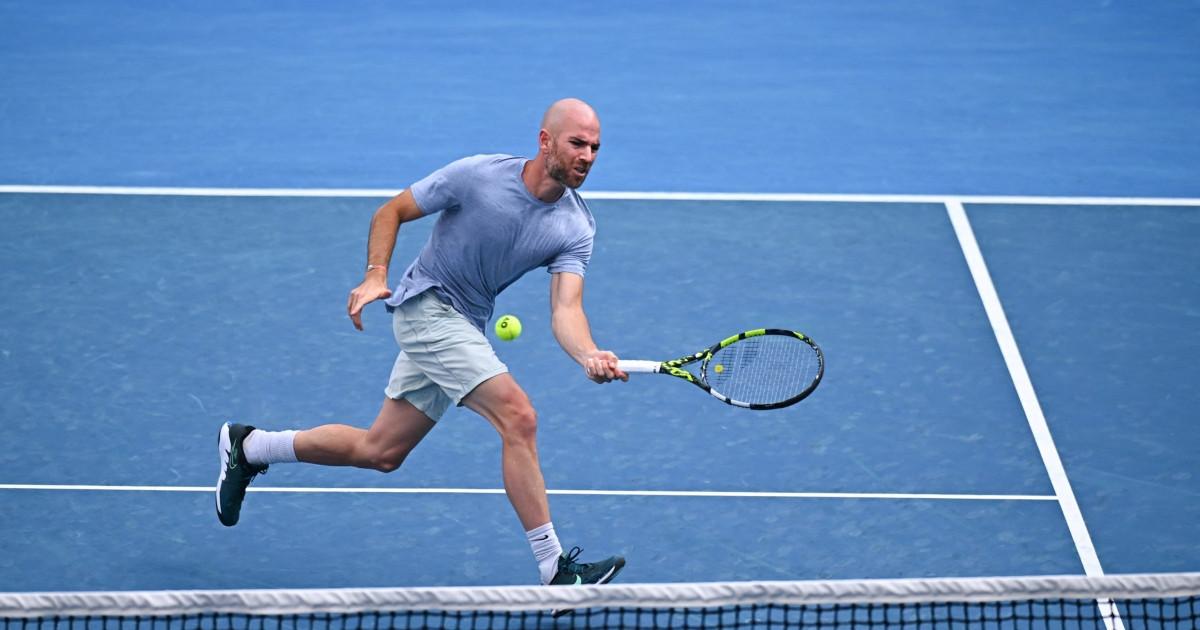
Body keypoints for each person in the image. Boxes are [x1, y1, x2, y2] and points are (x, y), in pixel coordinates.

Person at [215, 98, 628, 588]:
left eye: (595, 148)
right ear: (545, 141)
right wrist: (375, 276)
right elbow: (393, 211)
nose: (587, 156)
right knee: (519, 416)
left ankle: (251, 446)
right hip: (425, 307)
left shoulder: (575, 226)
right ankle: (553, 568)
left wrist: (587, 353)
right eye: (577, 143)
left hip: (465, 324)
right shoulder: (478, 176)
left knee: (381, 451)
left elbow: (566, 309)